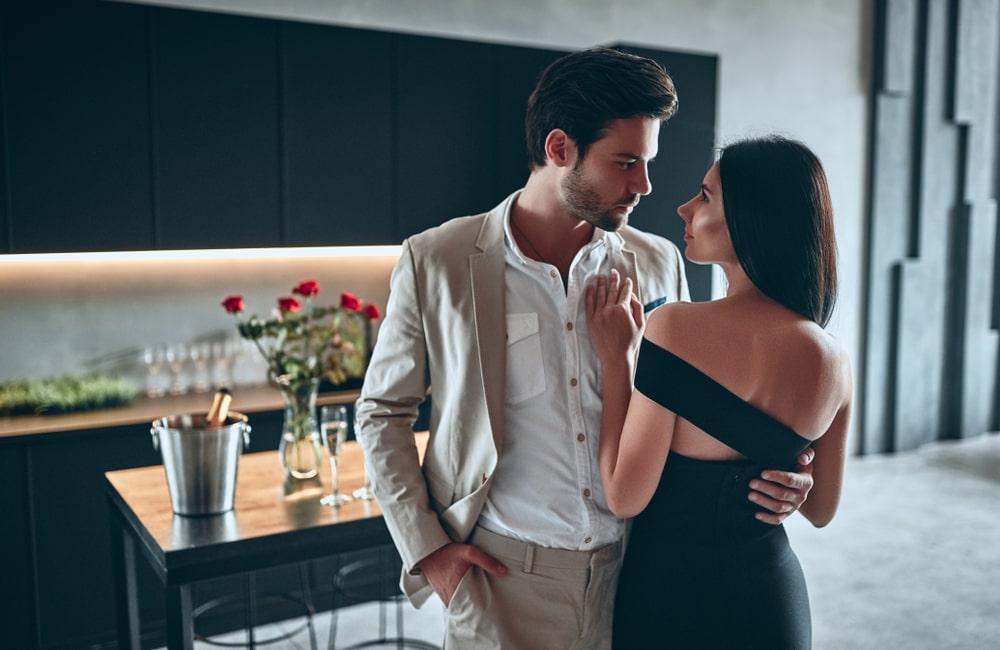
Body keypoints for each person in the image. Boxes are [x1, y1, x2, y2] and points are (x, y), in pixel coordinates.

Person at [355, 48, 816, 649]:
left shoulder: (658, 263)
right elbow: (382, 411)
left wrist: (783, 464)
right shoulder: (437, 259)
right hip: (501, 585)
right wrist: (431, 551)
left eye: (646, 162)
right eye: (626, 162)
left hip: (645, 574)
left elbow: (694, 410)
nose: (645, 185)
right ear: (558, 149)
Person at [585, 134, 852, 649]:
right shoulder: (834, 359)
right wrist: (797, 480)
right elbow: (821, 509)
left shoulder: (674, 329)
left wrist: (618, 359)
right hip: (771, 600)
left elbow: (623, 494)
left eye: (705, 196)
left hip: (669, 597)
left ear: (754, 219)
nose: (684, 207)